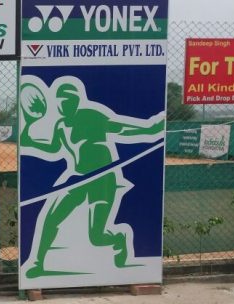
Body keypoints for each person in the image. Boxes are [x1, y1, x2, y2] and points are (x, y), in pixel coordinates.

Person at [19, 77, 164, 278]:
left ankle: (119, 238)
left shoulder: (92, 116)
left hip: (103, 179)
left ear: (77, 101)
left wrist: (150, 129)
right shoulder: (61, 126)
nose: (65, 104)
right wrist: (29, 141)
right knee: (51, 218)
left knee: (97, 236)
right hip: (77, 178)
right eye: (61, 100)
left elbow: (121, 127)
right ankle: (37, 262)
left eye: (70, 99)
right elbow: (53, 148)